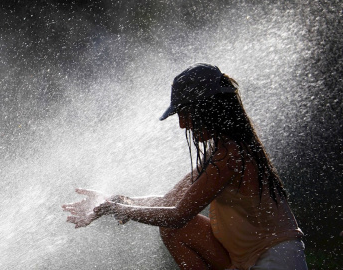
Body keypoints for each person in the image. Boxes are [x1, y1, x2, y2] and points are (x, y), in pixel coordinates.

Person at [62, 63, 308, 270]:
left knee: (176, 225)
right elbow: (170, 201)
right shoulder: (221, 152)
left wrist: (116, 209)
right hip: (252, 259)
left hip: (275, 261)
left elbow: (178, 215)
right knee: (176, 229)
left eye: (184, 113)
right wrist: (115, 201)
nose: (182, 124)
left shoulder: (231, 154)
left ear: (208, 108)